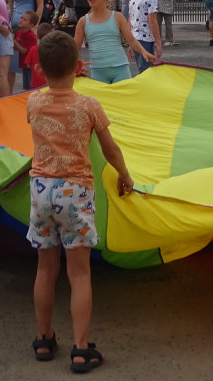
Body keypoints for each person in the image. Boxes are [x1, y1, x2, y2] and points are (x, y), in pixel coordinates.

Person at [26, 31, 135, 372]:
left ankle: (44, 340)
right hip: (74, 192)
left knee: (45, 269)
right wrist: (125, 175)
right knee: (80, 274)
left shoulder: (33, 102)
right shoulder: (89, 105)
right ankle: (80, 348)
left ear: (40, 70)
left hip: (41, 190)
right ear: (79, 66)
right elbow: (110, 149)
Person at [74, 0, 155, 84]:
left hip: (120, 69)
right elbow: (75, 48)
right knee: (101, 100)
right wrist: (77, 63)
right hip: (98, 71)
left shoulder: (117, 17)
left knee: (123, 99)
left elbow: (131, 40)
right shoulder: (83, 21)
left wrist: (144, 52)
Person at [7, 0, 44, 92]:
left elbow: (40, 4)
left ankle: (34, 93)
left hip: (31, 24)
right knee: (11, 63)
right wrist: (7, 24)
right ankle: (9, 96)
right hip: (16, 24)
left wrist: (35, 25)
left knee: (32, 62)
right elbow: (10, 5)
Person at [127, 0, 161, 75]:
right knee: (146, 72)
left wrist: (130, 42)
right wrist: (158, 43)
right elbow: (152, 22)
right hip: (146, 39)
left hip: (134, 38)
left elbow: (130, 20)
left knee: (141, 70)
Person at [14, 11, 40, 90]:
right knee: (26, 86)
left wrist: (13, 41)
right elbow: (16, 48)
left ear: (31, 25)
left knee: (30, 86)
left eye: (25, 20)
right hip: (24, 64)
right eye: (21, 18)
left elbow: (24, 51)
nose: (21, 20)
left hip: (30, 65)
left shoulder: (31, 36)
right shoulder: (19, 32)